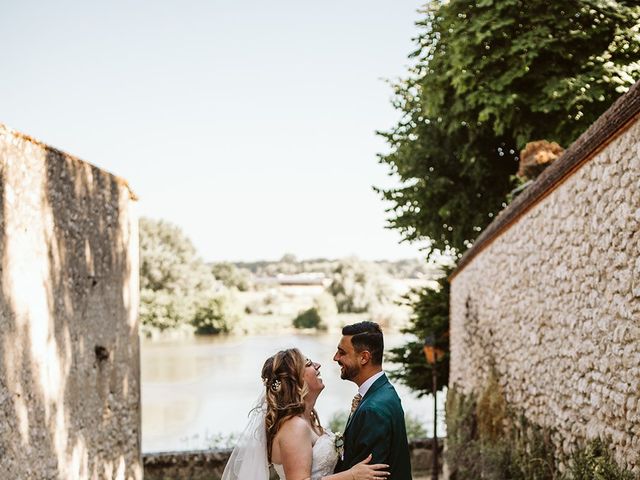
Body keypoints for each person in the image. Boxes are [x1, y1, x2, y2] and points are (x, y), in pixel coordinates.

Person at [222, 347, 390, 480]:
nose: (317, 365)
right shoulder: (294, 427)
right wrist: (352, 476)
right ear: (296, 379)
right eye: (308, 363)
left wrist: (355, 414)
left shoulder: (305, 419)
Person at [333, 322, 412, 479]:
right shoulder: (384, 391)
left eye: (342, 353)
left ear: (364, 357)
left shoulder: (373, 409)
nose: (335, 358)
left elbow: (369, 475)